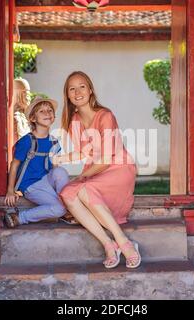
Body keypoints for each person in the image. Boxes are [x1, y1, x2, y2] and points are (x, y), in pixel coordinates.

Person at [52, 71, 140, 269]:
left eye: (82, 86)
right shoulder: (74, 120)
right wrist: (59, 159)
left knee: (81, 188)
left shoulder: (105, 116)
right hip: (96, 171)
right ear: (67, 95)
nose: (77, 92)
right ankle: (109, 245)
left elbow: (107, 159)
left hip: (118, 168)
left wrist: (82, 177)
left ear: (90, 90)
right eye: (71, 88)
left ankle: (123, 241)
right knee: (67, 192)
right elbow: (84, 152)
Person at [4, 98, 69, 228]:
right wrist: (11, 190)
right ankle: (20, 218)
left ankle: (69, 203)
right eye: (42, 111)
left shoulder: (54, 142)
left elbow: (55, 169)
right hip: (30, 185)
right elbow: (14, 165)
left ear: (54, 117)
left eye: (50, 111)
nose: (47, 113)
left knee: (61, 171)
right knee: (59, 209)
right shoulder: (27, 141)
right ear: (33, 118)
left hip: (46, 180)